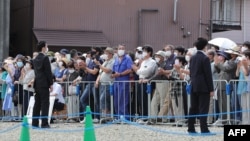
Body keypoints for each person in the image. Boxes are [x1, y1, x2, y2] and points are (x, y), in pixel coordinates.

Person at [187, 37, 214, 134]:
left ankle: (190, 128)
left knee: (193, 107)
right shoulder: (205, 58)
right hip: (203, 87)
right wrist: (211, 89)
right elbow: (208, 74)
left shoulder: (192, 57)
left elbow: (191, 72)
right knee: (203, 108)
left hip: (194, 85)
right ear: (205, 47)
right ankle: (204, 129)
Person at [32, 41, 53, 128]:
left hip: (37, 83)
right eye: (46, 46)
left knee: (37, 103)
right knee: (45, 103)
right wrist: (51, 83)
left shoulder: (35, 59)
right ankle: (44, 123)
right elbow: (48, 72)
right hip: (44, 83)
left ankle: (35, 122)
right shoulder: (45, 58)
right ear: (43, 47)